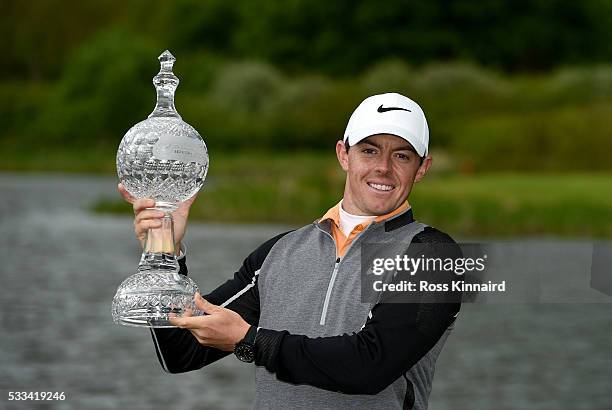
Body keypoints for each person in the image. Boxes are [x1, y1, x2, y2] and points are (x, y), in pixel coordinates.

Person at [119, 92, 461, 409]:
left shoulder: (434, 256)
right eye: (369, 150)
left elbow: (369, 366)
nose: (383, 167)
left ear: (422, 169)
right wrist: (165, 256)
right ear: (344, 154)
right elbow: (180, 354)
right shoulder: (279, 252)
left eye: (401, 155)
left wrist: (250, 340)